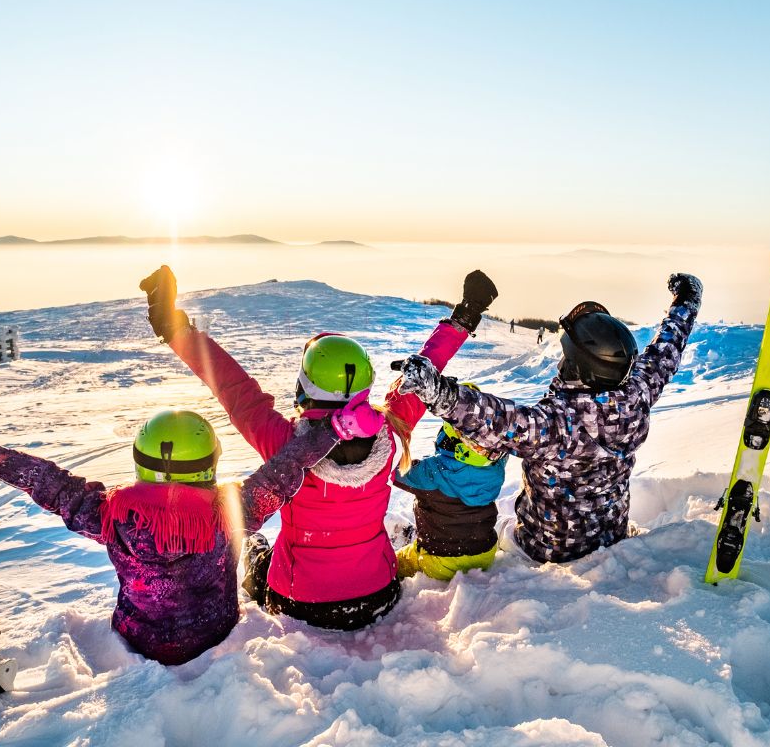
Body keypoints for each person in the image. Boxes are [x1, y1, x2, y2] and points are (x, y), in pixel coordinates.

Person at [141, 266, 498, 629]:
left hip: (300, 601)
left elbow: (233, 387)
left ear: (305, 385)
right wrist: (465, 315)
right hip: (378, 593)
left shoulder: (284, 445)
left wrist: (175, 329)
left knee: (257, 555)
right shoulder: (390, 432)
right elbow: (425, 372)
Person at [0, 397, 383, 664]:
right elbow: (286, 469)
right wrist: (335, 429)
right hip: (216, 633)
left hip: (140, 640)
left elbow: (46, 481)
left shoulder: (110, 515)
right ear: (210, 463)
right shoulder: (231, 513)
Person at [395, 273, 702, 564]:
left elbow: (495, 419)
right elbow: (666, 351)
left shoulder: (556, 424)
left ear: (579, 368)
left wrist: (437, 391)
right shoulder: (637, 394)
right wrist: (686, 301)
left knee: (494, 534)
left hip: (545, 549)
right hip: (611, 535)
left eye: (567, 356)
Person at [392, 382, 509, 581]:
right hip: (485, 553)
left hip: (441, 561)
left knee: (396, 563)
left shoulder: (432, 472)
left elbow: (395, 471)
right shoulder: (495, 466)